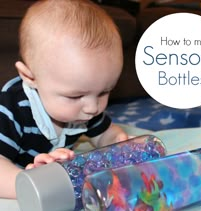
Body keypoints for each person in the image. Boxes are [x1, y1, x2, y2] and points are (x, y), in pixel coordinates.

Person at [0, 0, 128, 199]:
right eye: (75, 96)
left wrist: (119, 144)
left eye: (104, 92)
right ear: (30, 77)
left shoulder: (85, 107)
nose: (93, 108)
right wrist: (33, 184)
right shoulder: (11, 109)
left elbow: (106, 134)